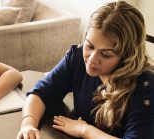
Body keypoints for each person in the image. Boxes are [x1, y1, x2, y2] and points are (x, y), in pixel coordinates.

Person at [17, 1, 154, 139]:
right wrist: (28, 124)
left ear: (126, 56)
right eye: (89, 46)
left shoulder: (144, 87)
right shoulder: (77, 58)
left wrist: (85, 130)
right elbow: (41, 93)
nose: (92, 59)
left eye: (105, 54)